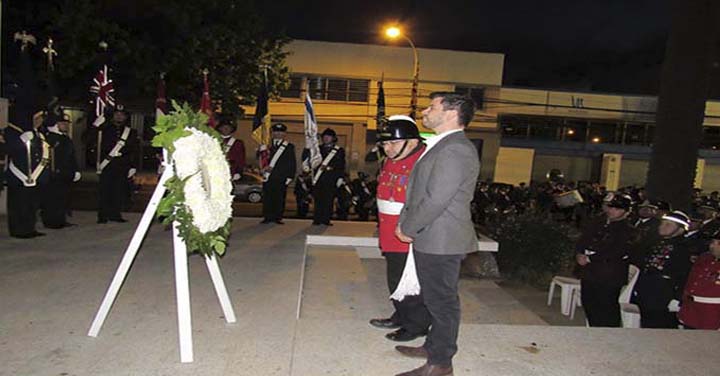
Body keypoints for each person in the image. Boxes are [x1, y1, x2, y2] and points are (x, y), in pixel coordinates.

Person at [394, 92, 479, 376]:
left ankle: (441, 363)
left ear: (452, 113)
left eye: (432, 107)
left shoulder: (455, 149)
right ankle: (434, 346)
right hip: (433, 235)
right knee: (434, 297)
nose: (425, 111)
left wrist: (408, 227)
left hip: (442, 238)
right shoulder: (442, 144)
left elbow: (436, 198)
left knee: (442, 301)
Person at [368, 115, 431, 343]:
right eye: (385, 144)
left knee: (410, 282)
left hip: (408, 233)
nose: (388, 148)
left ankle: (416, 325)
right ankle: (401, 314)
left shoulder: (423, 162)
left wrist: (412, 230)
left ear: (412, 141)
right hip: (389, 230)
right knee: (395, 278)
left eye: (393, 143)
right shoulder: (391, 159)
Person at [575, 193, 634, 327]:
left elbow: (617, 251)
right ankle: (594, 330)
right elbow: (584, 238)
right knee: (589, 303)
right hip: (590, 272)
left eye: (616, 209)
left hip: (608, 274)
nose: (611, 211)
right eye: (610, 207)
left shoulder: (626, 229)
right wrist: (579, 253)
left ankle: (608, 334)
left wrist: (590, 258)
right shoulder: (599, 222)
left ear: (625, 211)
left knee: (606, 308)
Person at [633, 211, 693, 329]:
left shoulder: (684, 248)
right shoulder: (654, 243)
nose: (662, 227)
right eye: (662, 223)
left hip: (665, 292)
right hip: (647, 289)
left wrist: (677, 298)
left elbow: (685, 275)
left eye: (669, 225)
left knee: (663, 325)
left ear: (680, 230)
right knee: (647, 323)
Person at [6, 112, 50, 238]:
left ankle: (29, 227)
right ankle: (18, 230)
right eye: (36, 118)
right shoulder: (14, 131)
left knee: (31, 205)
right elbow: (7, 149)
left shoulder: (39, 134)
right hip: (19, 176)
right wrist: (21, 141)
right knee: (19, 205)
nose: (39, 121)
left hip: (34, 176)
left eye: (40, 118)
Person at [95, 105, 138, 223]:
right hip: (107, 164)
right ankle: (102, 215)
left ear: (125, 117)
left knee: (118, 191)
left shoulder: (131, 132)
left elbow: (134, 149)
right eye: (117, 114)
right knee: (104, 191)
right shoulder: (104, 129)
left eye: (122, 114)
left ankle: (115, 214)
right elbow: (88, 140)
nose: (119, 116)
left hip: (122, 165)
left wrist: (133, 166)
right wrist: (95, 127)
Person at [40, 111, 81, 228]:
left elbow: (71, 156)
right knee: (52, 199)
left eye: (66, 123)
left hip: (65, 174)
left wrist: (76, 170)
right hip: (53, 174)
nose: (66, 126)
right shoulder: (50, 138)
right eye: (63, 123)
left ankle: (60, 219)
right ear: (56, 124)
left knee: (63, 198)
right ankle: (51, 221)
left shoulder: (65, 138)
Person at [678, 230, 720, 330]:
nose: (712, 246)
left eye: (718, 243)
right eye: (712, 242)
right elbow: (691, 280)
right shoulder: (704, 259)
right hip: (691, 309)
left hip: (712, 312)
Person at [260, 123, 296, 224]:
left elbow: (291, 162)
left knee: (279, 198)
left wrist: (290, 176)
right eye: (276, 131)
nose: (278, 134)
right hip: (267, 176)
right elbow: (261, 159)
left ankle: (277, 217)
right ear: (272, 133)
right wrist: (262, 167)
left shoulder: (289, 146)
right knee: (267, 197)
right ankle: (267, 216)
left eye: (281, 132)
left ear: (284, 134)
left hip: (281, 176)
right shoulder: (266, 146)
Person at [312, 128, 345, 226]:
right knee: (318, 199)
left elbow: (341, 164)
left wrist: (340, 177)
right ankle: (317, 219)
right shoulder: (317, 149)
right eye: (324, 136)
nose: (326, 138)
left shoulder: (339, 150)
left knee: (329, 200)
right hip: (318, 178)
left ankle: (326, 219)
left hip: (331, 178)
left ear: (333, 138)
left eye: (329, 136)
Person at [218, 115, 246, 182]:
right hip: (217, 170)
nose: (226, 129)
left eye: (228, 127)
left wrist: (239, 171)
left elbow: (241, 159)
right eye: (224, 127)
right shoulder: (214, 141)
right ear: (220, 128)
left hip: (231, 171)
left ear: (232, 129)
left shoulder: (238, 143)